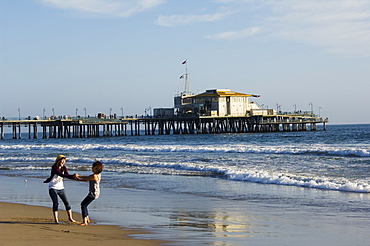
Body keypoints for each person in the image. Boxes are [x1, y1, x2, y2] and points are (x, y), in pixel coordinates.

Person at [43, 155, 77, 224]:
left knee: (66, 203)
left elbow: (67, 175)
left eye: (64, 161)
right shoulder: (54, 168)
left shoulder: (64, 168)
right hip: (52, 188)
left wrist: (75, 177)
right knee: (56, 203)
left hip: (61, 188)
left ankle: (70, 218)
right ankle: (56, 220)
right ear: (58, 161)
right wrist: (72, 176)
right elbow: (61, 175)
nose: (63, 162)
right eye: (62, 160)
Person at [75, 161, 103, 226]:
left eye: (93, 167)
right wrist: (79, 176)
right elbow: (87, 177)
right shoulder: (97, 175)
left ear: (96, 168)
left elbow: (86, 179)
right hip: (95, 192)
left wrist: (77, 179)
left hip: (93, 193)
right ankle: (87, 218)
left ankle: (85, 221)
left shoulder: (95, 176)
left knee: (83, 205)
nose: (91, 168)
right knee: (85, 205)